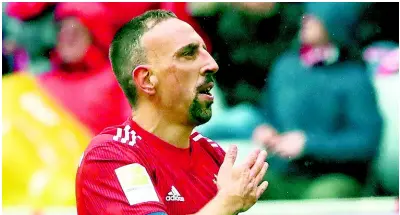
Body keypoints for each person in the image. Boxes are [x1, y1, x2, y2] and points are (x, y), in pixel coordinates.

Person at [76, 10, 269, 215]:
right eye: (188, 54)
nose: (212, 65)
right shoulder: (109, 156)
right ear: (147, 80)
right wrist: (227, 203)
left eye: (205, 51)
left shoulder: (212, 156)